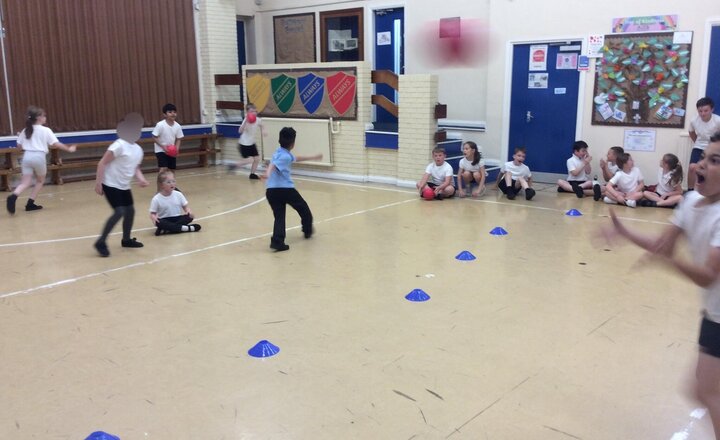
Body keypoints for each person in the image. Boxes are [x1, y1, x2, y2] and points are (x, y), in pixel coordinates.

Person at [600, 133, 720, 438]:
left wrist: (667, 260)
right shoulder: (691, 201)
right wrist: (625, 233)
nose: (700, 165)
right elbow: (662, 244)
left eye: (714, 161)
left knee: (706, 391)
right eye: (704, 157)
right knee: (701, 390)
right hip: (713, 312)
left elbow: (708, 274)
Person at [93, 113, 149, 257]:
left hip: (124, 186)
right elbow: (102, 163)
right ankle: (101, 242)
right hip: (110, 184)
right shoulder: (118, 145)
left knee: (130, 211)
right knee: (119, 212)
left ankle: (126, 239)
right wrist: (98, 183)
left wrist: (140, 179)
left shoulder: (138, 150)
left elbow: (135, 167)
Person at [6, 106, 77, 214]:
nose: (45, 117)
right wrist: (69, 149)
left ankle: (13, 196)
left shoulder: (26, 130)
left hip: (26, 156)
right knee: (40, 181)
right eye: (44, 115)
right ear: (39, 118)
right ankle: (30, 203)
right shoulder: (46, 130)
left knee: (25, 182)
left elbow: (19, 146)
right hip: (38, 157)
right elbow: (55, 143)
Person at [264, 127, 322, 252]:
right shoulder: (284, 157)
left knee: (279, 216)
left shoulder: (279, 152)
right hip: (285, 190)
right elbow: (273, 165)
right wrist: (268, 172)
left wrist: (312, 157)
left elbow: (296, 158)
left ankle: (277, 241)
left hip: (271, 191)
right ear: (293, 143)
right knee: (303, 208)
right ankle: (307, 230)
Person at [149, 170, 201, 235]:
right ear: (162, 185)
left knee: (189, 217)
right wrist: (154, 218)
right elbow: (152, 213)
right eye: (168, 182)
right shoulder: (156, 199)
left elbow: (186, 207)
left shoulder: (178, 194)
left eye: (173, 181)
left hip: (177, 218)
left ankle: (167, 229)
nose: (172, 183)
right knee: (159, 222)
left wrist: (189, 211)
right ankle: (186, 228)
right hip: (165, 219)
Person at [688, 97, 720, 191]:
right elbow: (691, 132)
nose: (703, 113)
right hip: (699, 146)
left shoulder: (718, 120)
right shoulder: (694, 120)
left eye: (706, 111)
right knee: (692, 167)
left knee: (711, 170)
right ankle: (690, 191)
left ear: (712, 109)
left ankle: (710, 190)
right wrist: (697, 142)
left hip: (714, 147)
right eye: (700, 111)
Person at [228, 103, 264, 179]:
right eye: (251, 111)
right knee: (250, 160)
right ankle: (234, 165)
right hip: (244, 143)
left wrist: (263, 131)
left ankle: (252, 174)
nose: (254, 113)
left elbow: (261, 125)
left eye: (255, 111)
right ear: (247, 113)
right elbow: (240, 131)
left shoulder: (258, 120)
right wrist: (245, 121)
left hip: (251, 143)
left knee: (257, 159)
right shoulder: (246, 120)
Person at [152, 103, 184, 174]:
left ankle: (172, 185)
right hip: (160, 150)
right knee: (163, 169)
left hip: (171, 151)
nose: (173, 114)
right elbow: (154, 137)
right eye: (170, 112)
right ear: (165, 115)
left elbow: (179, 139)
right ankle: (160, 184)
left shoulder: (177, 126)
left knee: (172, 170)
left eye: (174, 112)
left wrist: (176, 149)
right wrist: (163, 146)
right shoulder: (160, 125)